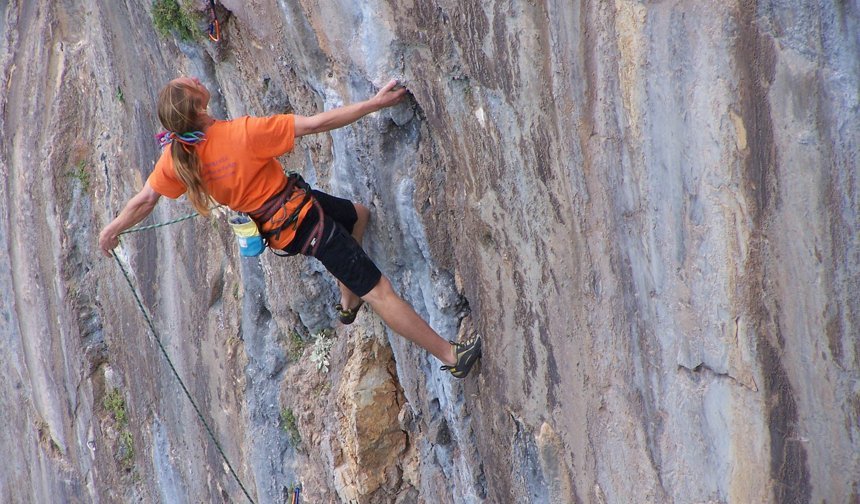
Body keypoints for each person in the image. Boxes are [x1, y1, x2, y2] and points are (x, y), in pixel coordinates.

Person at [98, 76, 482, 378]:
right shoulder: (242, 134)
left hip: (286, 224)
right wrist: (375, 104)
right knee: (380, 291)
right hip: (305, 222)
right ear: (199, 106)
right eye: (190, 83)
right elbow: (317, 124)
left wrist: (113, 229)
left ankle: (348, 302)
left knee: (358, 216)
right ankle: (451, 356)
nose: (195, 78)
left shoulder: (177, 156)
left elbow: (145, 200)